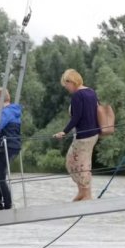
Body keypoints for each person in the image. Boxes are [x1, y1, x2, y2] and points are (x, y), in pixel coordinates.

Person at [54, 69, 100, 201]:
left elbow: (77, 117)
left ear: (71, 81)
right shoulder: (91, 92)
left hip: (84, 135)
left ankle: (86, 193)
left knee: (74, 163)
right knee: (83, 163)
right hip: (93, 134)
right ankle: (83, 192)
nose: (66, 88)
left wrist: (64, 131)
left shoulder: (78, 95)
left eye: (66, 84)